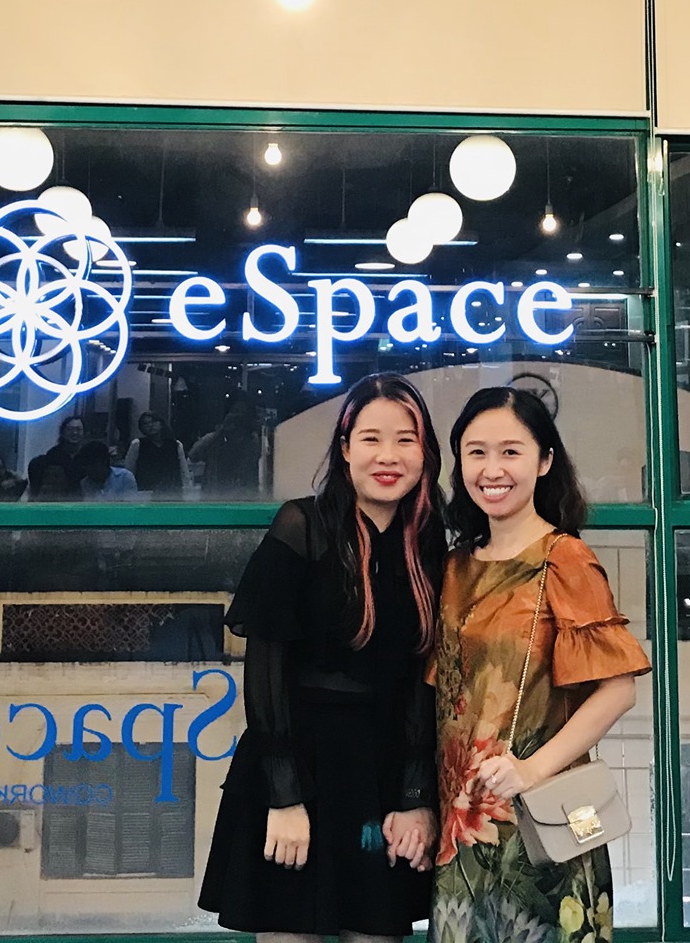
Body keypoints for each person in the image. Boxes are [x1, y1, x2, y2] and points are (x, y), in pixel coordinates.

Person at [200, 373, 447, 943]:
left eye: (405, 440)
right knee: (289, 930)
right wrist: (285, 796)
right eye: (371, 439)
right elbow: (266, 667)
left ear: (425, 453)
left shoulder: (429, 543)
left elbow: (423, 675)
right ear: (345, 448)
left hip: (381, 778)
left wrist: (416, 798)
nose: (388, 456)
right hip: (297, 765)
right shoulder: (302, 526)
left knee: (376, 931)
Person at [430, 387, 650, 943]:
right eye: (476, 452)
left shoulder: (565, 559)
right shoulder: (451, 567)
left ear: (544, 461)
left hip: (543, 823)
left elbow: (618, 689)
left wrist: (530, 770)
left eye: (511, 451)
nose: (492, 469)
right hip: (463, 827)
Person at [126, 411, 188, 495]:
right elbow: (129, 471)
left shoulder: (176, 445)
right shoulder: (137, 444)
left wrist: (187, 490)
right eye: (145, 423)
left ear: (161, 424)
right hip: (145, 493)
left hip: (172, 492)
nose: (150, 425)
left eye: (153, 421)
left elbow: (184, 471)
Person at [27, 415, 88, 497]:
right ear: (62, 432)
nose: (75, 433)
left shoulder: (87, 456)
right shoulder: (53, 456)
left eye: (78, 429)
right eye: (70, 429)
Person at [75, 438, 139, 500]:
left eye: (92, 464)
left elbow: (132, 503)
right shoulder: (84, 484)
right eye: (85, 465)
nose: (88, 469)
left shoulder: (125, 477)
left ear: (104, 461)